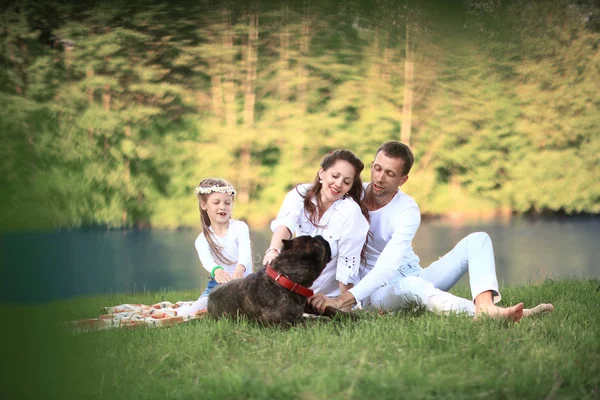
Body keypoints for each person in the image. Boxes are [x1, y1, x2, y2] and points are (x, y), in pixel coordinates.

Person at [310, 141, 554, 321]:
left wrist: (341, 300)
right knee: (414, 288)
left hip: (413, 274)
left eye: (390, 173)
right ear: (372, 166)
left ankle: (486, 307)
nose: (380, 177)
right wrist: (345, 298)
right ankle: (493, 315)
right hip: (377, 293)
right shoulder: (351, 197)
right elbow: (313, 195)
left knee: (478, 239)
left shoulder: (407, 209)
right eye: (377, 168)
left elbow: (389, 265)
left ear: (403, 180)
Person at [264, 149, 370, 298]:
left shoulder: (351, 211)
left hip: (328, 295)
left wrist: (341, 304)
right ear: (322, 173)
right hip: (293, 287)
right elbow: (285, 225)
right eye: (335, 176)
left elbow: (347, 264)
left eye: (346, 182)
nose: (338, 184)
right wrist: (273, 250)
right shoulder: (299, 194)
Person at [177, 178, 253, 317]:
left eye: (227, 203)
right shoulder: (202, 239)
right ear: (204, 205)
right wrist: (217, 270)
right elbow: (207, 260)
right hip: (218, 285)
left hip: (245, 283)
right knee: (192, 312)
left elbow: (245, 251)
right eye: (216, 202)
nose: (222, 207)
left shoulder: (240, 227)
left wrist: (240, 268)